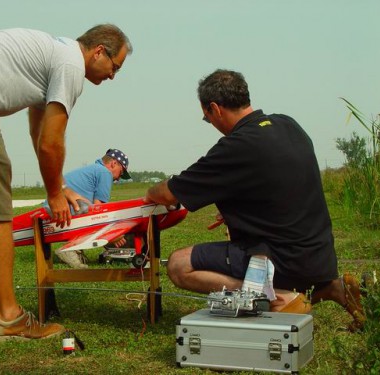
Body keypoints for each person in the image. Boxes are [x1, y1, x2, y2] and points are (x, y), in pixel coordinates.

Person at [0, 25, 133, 342]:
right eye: (115, 66)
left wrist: (54, 187)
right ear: (99, 50)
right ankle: (9, 318)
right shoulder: (70, 65)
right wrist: (56, 194)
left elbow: (39, 133)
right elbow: (51, 143)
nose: (113, 76)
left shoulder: (53, 57)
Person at [145, 69, 365, 331]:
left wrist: (150, 194)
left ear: (215, 109)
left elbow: (169, 193)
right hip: (319, 257)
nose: (210, 123)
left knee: (179, 265)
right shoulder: (288, 124)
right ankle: (333, 287)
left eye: (207, 118)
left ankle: (279, 296)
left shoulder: (236, 146)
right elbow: (280, 185)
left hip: (284, 259)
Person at [54, 148, 132, 268]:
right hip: (59, 213)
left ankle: (77, 249)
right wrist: (112, 233)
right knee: (94, 216)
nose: (118, 178)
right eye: (121, 173)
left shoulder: (94, 170)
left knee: (88, 208)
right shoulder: (105, 173)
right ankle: (69, 250)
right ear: (113, 163)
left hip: (55, 208)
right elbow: (98, 211)